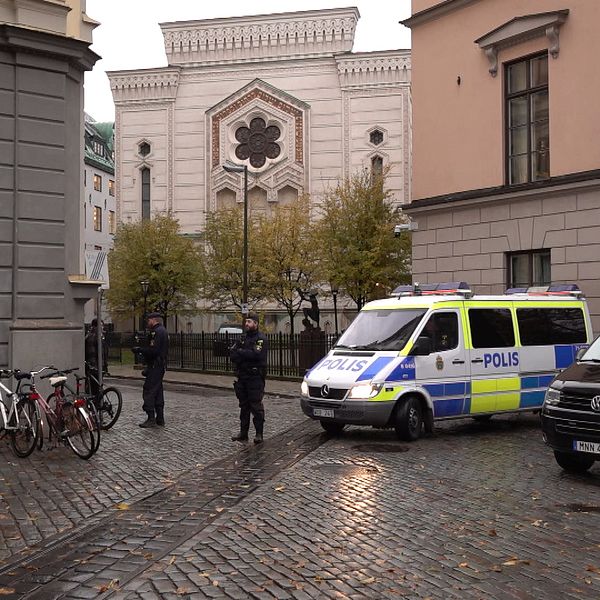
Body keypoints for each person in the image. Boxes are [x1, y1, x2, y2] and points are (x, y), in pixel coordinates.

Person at [229, 313, 268, 444]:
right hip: (243, 376)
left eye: (249, 322)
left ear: (256, 324)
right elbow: (233, 355)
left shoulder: (260, 339)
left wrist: (241, 352)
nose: (247, 324)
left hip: (255, 377)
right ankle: (243, 433)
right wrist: (243, 353)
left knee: (256, 406)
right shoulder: (242, 338)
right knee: (244, 406)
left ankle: (259, 434)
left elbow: (256, 355)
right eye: (246, 322)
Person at [132, 312, 168, 428]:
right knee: (158, 391)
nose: (147, 323)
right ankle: (160, 418)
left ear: (153, 320)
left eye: (148, 320)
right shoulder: (163, 331)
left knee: (149, 390)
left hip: (154, 365)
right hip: (160, 365)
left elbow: (153, 351)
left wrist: (140, 350)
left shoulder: (156, 332)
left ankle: (151, 417)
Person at [84, 318, 108, 399]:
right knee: (95, 387)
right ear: (95, 326)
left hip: (98, 366)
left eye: (102, 325)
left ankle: (97, 402)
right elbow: (94, 353)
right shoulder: (94, 336)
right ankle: (95, 403)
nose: (102, 327)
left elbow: (103, 352)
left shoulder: (98, 336)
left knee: (97, 387)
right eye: (100, 325)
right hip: (94, 367)